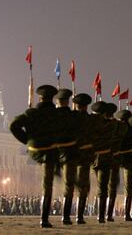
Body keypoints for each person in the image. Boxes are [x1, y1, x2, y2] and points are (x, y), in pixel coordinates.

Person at [9, 85, 60, 228]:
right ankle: (44, 219)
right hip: (50, 151)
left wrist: (27, 140)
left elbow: (13, 125)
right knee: (47, 185)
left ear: (40, 97)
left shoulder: (32, 113)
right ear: (52, 98)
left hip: (34, 149)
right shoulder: (57, 115)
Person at [54, 88, 81, 225]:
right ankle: (66, 216)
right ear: (68, 101)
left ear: (57, 101)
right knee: (69, 185)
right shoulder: (74, 116)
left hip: (54, 151)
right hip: (70, 152)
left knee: (46, 186)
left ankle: (44, 218)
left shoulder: (52, 115)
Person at [72, 93, 94, 224]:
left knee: (68, 184)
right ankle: (79, 216)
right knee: (84, 186)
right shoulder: (91, 120)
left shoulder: (71, 118)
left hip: (71, 154)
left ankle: (66, 216)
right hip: (85, 155)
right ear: (86, 106)